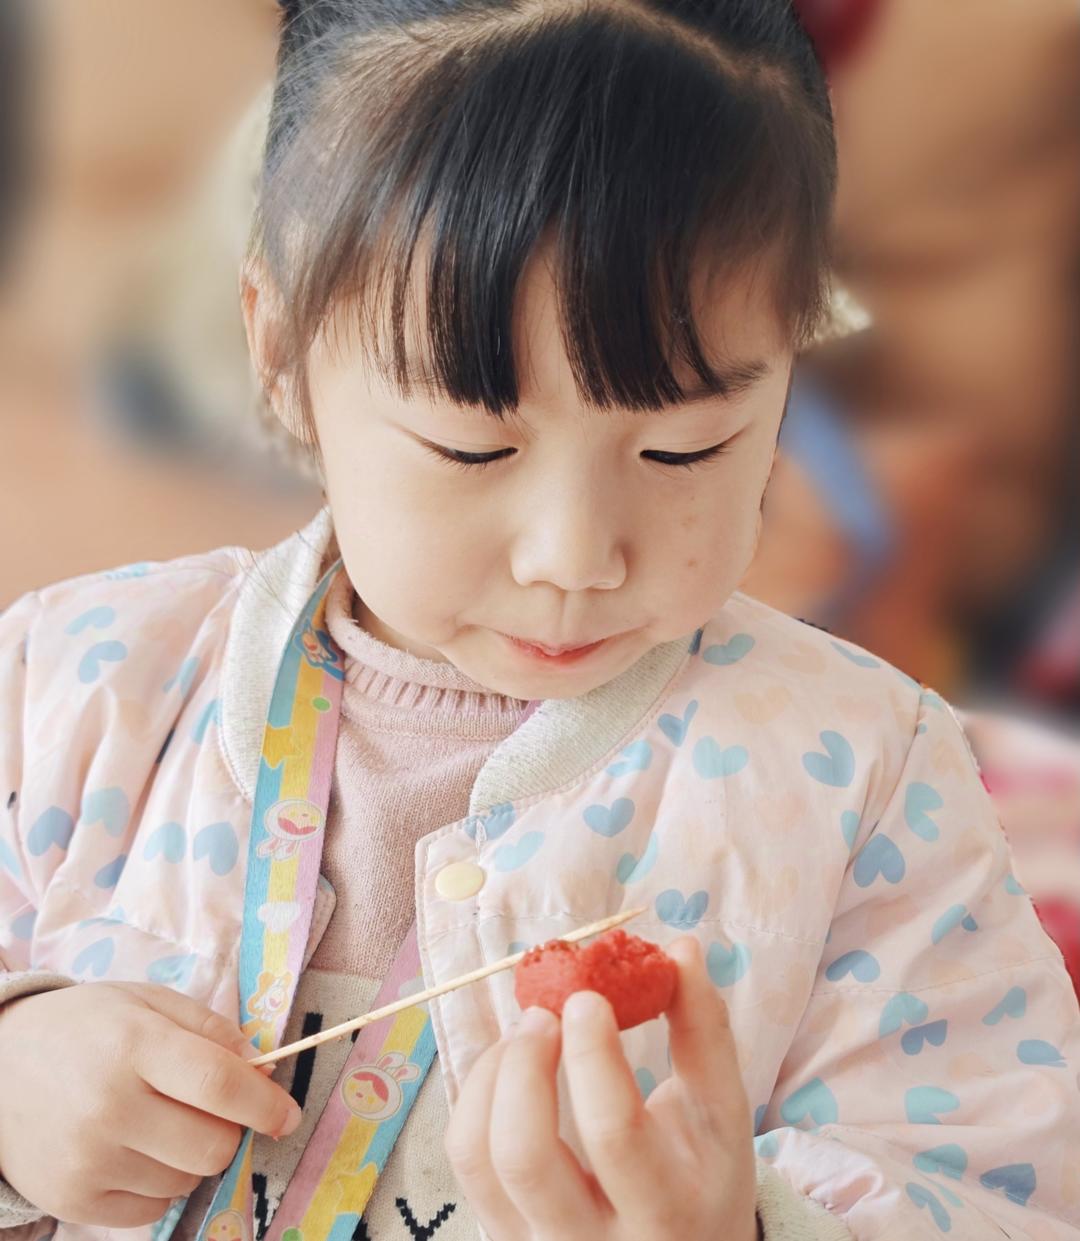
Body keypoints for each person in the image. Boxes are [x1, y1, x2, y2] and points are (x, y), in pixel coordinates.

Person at [1, 3, 1077, 1240]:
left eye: (685, 447)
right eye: (472, 445)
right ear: (279, 349)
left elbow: (1008, 1194)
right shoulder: (67, 684)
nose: (576, 556)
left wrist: (743, 1225)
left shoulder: (867, 782)